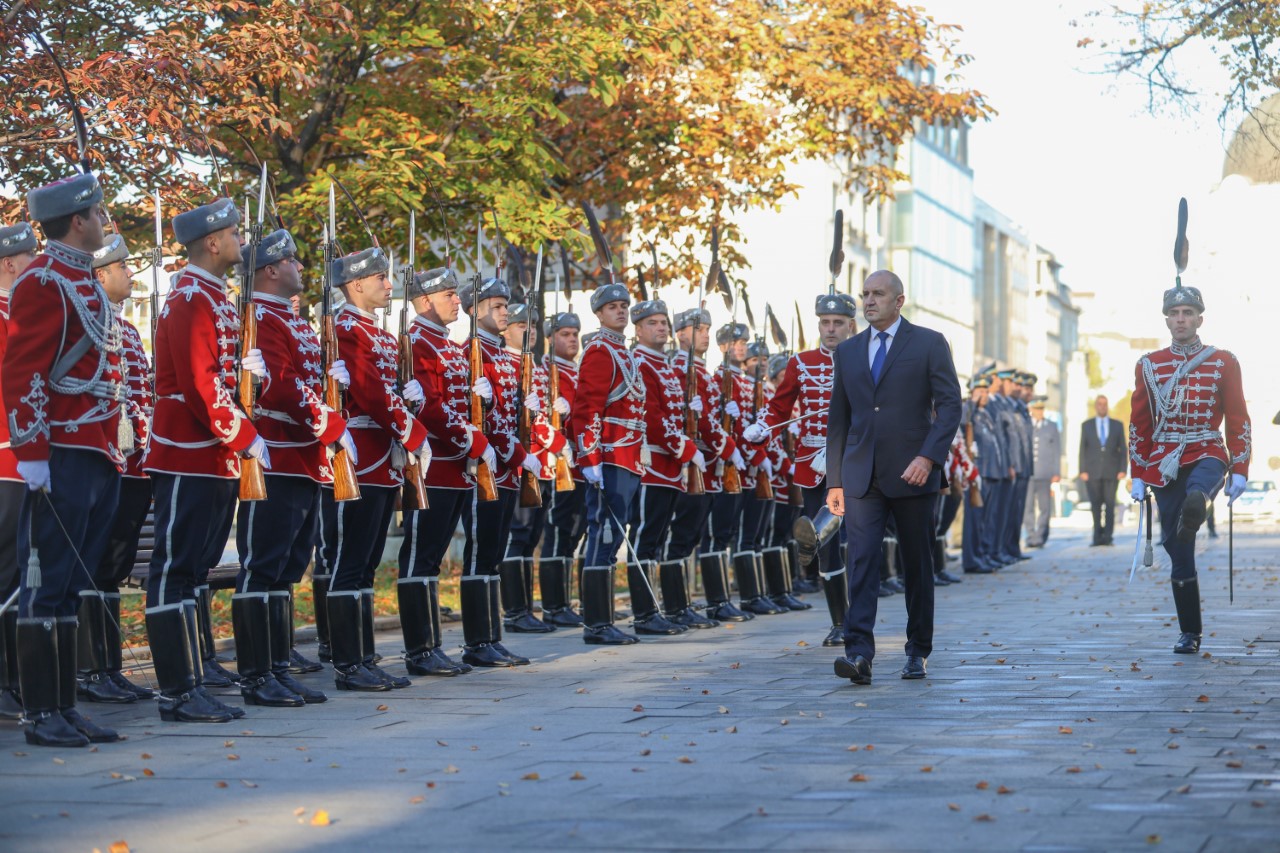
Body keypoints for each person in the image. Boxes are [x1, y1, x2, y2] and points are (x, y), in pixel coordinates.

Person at [3, 174, 126, 746]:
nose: (105, 219)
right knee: (46, 583)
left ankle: (65, 705)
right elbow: (23, 368)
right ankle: (40, 713)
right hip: (63, 451)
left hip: (96, 448)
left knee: (73, 582)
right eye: (98, 211)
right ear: (78, 220)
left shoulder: (82, 279)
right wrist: (31, 451)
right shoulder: (43, 281)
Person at [142, 196, 267, 722]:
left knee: (194, 567)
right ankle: (177, 690)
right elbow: (200, 383)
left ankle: (194, 677)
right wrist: (242, 435)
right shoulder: (192, 296)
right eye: (236, 234)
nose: (241, 242)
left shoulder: (214, 296)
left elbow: (221, 375)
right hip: (188, 450)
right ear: (212, 242)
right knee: (173, 569)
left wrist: (251, 379)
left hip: (212, 453)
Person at [232, 229, 353, 707]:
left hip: (303, 457)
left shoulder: (292, 320)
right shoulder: (260, 316)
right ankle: (256, 674)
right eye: (294, 262)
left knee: (287, 567)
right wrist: (328, 420)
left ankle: (277, 666)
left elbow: (303, 379)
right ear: (270, 269)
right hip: (277, 453)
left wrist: (331, 383)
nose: (302, 269)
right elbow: (280, 386)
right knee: (262, 564)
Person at [825, 270, 961, 685]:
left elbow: (950, 406)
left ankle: (918, 651)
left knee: (917, 564)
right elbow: (839, 419)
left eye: (878, 294)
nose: (868, 301)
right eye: (865, 294)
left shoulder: (928, 343)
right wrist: (834, 480)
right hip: (861, 475)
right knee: (861, 561)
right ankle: (859, 653)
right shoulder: (847, 352)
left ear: (899, 301)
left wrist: (929, 458)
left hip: (913, 474)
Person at [321, 246, 429, 691]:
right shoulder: (347, 328)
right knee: (350, 561)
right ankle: (349, 663)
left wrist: (411, 399)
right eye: (381, 278)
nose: (389, 285)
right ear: (356, 284)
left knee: (366, 564)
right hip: (360, 457)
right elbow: (367, 391)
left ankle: (363, 656)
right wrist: (413, 432)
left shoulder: (380, 334)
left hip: (382, 459)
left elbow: (388, 391)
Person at [1129, 279, 1250, 654]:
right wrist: (1136, 474)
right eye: (1174, 314)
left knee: (1204, 480)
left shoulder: (1223, 361)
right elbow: (1140, 422)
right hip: (1165, 460)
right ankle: (1190, 632)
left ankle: (1199, 501)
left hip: (1206, 446)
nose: (1181, 319)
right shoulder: (1149, 365)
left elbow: (1236, 415)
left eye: (1187, 313)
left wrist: (1242, 466)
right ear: (1167, 320)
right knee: (1177, 547)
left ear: (1200, 319)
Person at [744, 291, 858, 644]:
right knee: (827, 542)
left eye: (838, 323)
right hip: (813, 466)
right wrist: (762, 425)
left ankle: (853, 617)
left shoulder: (864, 359)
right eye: (825, 322)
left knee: (842, 533)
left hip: (852, 461)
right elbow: (780, 406)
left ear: (851, 325)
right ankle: (840, 623)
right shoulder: (801, 362)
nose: (830, 329)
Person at [397, 266, 492, 675]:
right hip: (431, 466)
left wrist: (482, 405)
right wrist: (470, 438)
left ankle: (431, 646)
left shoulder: (450, 346)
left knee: (432, 558)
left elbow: (456, 403)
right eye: (449, 295)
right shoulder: (417, 342)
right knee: (420, 557)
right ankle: (419, 649)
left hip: (455, 467)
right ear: (423, 302)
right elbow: (431, 408)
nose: (457, 302)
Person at [79, 235, 154, 705]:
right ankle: (90, 670)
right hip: (104, 458)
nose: (131, 274)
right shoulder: (88, 321)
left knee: (113, 567)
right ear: (100, 274)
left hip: (136, 464)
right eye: (122, 267)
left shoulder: (126, 329)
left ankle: (109, 667)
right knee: (94, 567)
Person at [459, 276, 541, 665]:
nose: (504, 311)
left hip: (506, 469)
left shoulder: (502, 358)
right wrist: (516, 453)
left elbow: (510, 418)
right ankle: (478, 642)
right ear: (473, 309)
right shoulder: (468, 351)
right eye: (495, 305)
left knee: (493, 553)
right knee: (480, 552)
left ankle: (490, 637)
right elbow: (479, 421)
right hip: (484, 469)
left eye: (505, 305)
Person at [569, 281, 645, 645]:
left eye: (624, 305)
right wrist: (590, 458)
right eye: (612, 306)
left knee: (613, 535)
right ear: (598, 314)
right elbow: (587, 409)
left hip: (627, 458)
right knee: (604, 533)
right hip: (609, 457)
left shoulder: (624, 353)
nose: (621, 310)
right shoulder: (600, 351)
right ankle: (597, 624)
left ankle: (603, 620)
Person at [627, 298, 704, 634]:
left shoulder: (668, 367)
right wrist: (684, 447)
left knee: (656, 540)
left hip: (670, 467)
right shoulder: (641, 363)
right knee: (645, 539)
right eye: (653, 323)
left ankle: (660, 609)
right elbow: (653, 418)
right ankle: (644, 614)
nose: (661, 328)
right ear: (639, 329)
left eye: (663, 323)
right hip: (652, 463)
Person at [667, 307, 740, 625]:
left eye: (708, 330)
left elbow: (712, 417)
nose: (706, 335)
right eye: (699, 329)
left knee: (695, 534)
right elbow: (702, 423)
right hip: (689, 465)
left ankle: (691, 604)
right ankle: (676, 605)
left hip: (707, 466)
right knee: (683, 535)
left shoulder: (704, 373)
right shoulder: (678, 369)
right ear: (681, 333)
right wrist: (727, 447)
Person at [498, 301, 566, 634]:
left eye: (534, 327)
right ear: (506, 329)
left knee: (531, 537)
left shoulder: (538, 367)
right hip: (519, 461)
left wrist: (559, 415)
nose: (531, 332)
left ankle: (526, 608)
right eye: (523, 326)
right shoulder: (503, 362)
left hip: (541, 465)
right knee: (517, 535)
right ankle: (514, 611)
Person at [0, 221, 39, 720]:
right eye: (29, 257)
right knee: (6, 569)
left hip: (25, 456)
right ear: (10, 262)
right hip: (7, 455)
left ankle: (15, 678)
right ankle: (3, 680)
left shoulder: (20, 312)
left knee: (19, 571)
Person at [537, 310, 586, 626]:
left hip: (579, 464)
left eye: (574, 334)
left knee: (573, 531)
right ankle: (553, 605)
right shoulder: (544, 371)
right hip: (556, 463)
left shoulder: (578, 372)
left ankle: (565, 602)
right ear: (551, 338)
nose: (571, 339)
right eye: (565, 334)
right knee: (557, 530)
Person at [961, 374, 1005, 573]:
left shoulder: (985, 413)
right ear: (972, 393)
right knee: (974, 519)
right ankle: (971, 559)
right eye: (981, 391)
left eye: (986, 391)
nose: (985, 395)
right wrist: (971, 403)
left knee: (986, 519)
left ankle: (983, 555)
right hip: (977, 473)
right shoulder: (968, 411)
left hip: (990, 471)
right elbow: (962, 425)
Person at [1079, 394, 1126, 546]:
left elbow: (1123, 449)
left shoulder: (1117, 425)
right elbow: (1083, 449)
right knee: (1095, 505)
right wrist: (1082, 470)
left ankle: (1108, 537)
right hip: (1092, 472)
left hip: (1112, 471)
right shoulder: (1087, 425)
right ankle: (1097, 537)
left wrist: (1122, 469)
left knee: (1110, 505)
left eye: (1104, 404)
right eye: (1099, 404)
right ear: (1095, 406)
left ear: (1107, 406)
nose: (1102, 407)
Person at [1024, 397, 1060, 548]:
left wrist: (1056, 471)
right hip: (1029, 473)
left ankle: (1041, 535)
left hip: (1045, 473)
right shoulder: (1027, 425)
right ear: (1031, 410)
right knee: (1028, 507)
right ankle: (1031, 535)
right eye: (1036, 409)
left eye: (1041, 409)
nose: (1039, 412)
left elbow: (1056, 450)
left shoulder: (1051, 426)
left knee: (1045, 507)